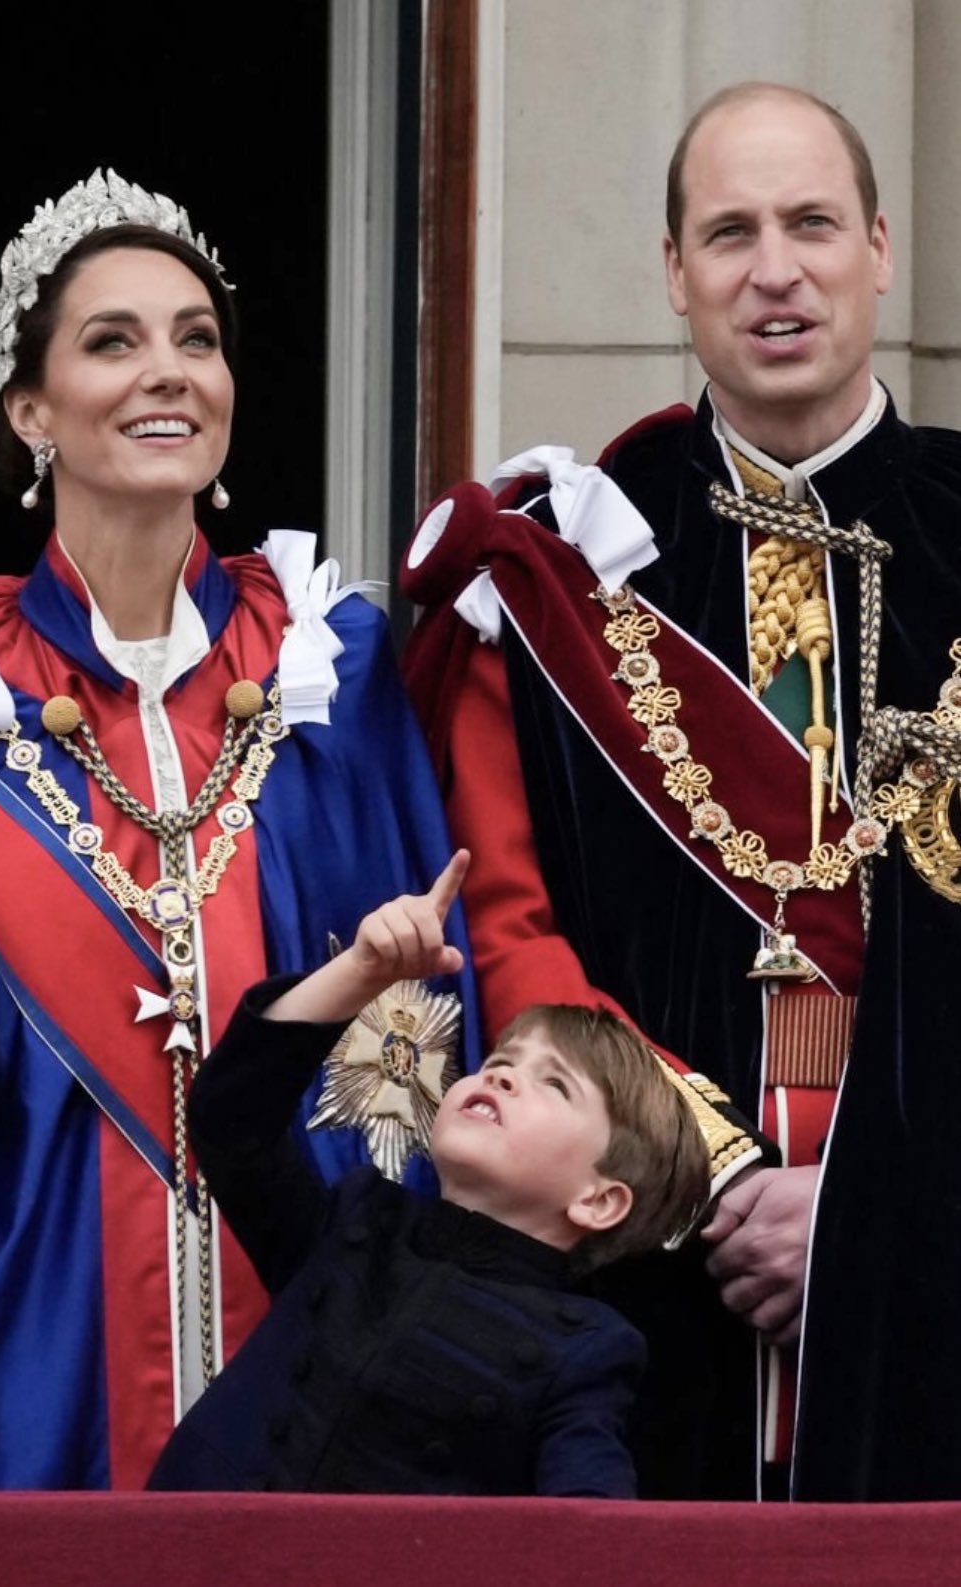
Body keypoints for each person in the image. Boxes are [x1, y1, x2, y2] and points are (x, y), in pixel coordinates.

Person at [0, 170, 481, 1490]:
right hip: (25, 1309)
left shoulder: (324, 655)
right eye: (112, 341)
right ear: (29, 409)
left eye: (196, 338)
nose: (167, 371)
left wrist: (384, 1286)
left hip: (305, 1309)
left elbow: (413, 1020)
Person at [400, 81, 961, 1502]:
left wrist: (868, 1208)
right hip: (646, 1260)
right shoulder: (565, 563)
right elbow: (510, 923)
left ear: (877, 249)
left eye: (810, 224)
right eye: (728, 233)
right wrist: (713, 1175)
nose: (773, 270)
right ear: (671, 270)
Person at [146, 849, 710, 1496]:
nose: (503, 1076)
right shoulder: (353, 1224)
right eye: (501, 1060)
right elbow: (230, 1117)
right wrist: (361, 972)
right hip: (196, 1545)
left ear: (598, 1200)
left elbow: (587, 1530)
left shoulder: (586, 1351)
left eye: (554, 1084)